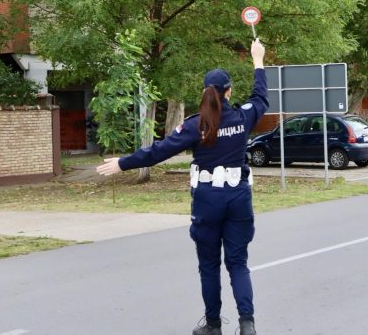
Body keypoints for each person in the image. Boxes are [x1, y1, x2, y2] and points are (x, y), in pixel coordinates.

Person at [97, 39, 268, 335]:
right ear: (229, 92)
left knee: (209, 266)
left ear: (205, 92)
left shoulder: (195, 126)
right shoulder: (243, 117)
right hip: (238, 196)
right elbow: (261, 97)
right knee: (238, 264)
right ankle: (247, 324)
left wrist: (123, 163)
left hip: (207, 201)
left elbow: (158, 151)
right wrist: (258, 60)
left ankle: (213, 326)